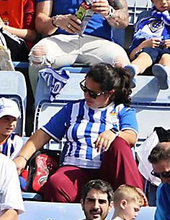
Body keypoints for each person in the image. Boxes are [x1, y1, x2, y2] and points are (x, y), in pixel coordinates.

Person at [19, 63, 142, 203]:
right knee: (56, 183)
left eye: (93, 93)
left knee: (120, 143)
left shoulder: (123, 111)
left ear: (110, 93)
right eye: (85, 88)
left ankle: (135, 199)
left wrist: (114, 133)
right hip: (75, 169)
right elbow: (43, 134)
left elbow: (131, 137)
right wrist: (22, 158)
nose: (87, 95)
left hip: (107, 171)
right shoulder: (72, 109)